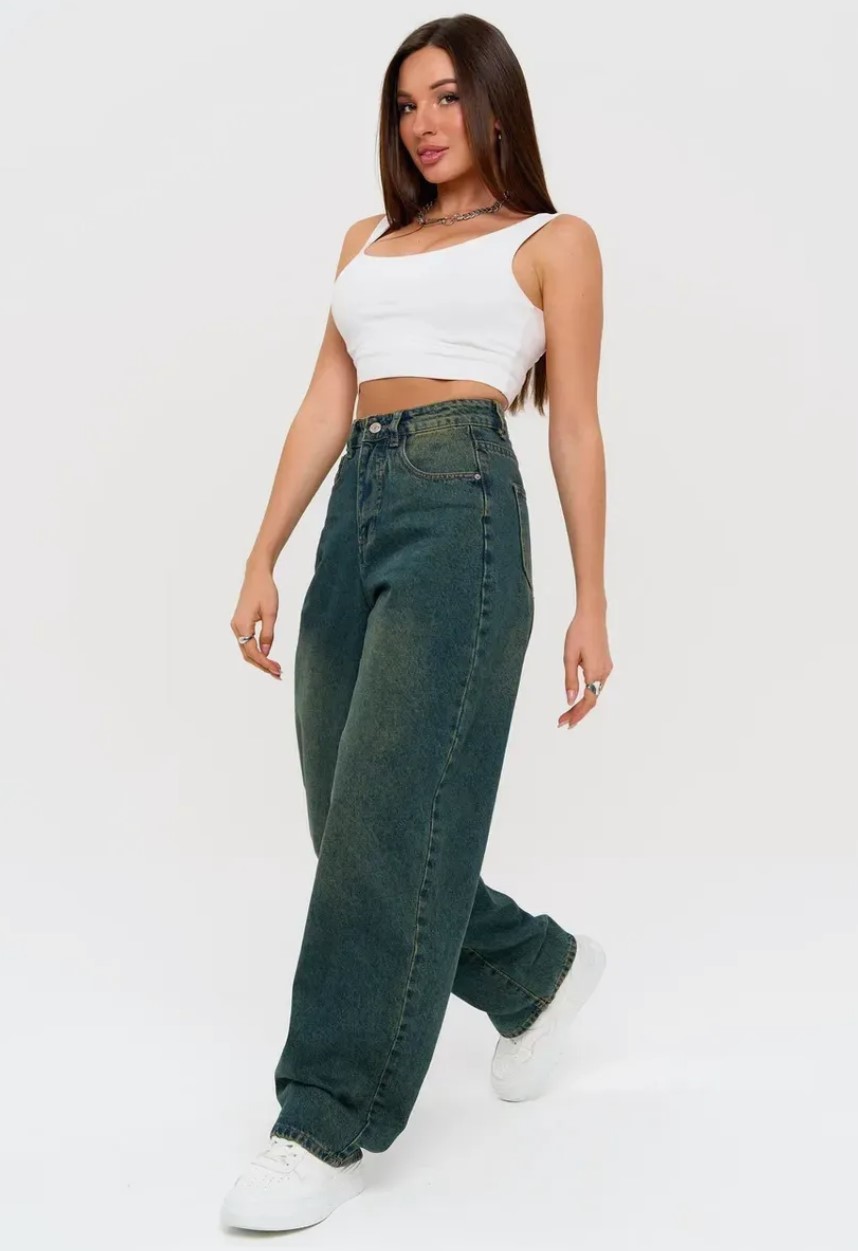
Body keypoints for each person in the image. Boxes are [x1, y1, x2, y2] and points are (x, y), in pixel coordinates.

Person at [221, 13, 612, 1233]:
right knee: (348, 816)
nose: (423, 124)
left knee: (385, 819)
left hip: (462, 512)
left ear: (494, 105)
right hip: (356, 513)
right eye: (405, 105)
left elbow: (575, 423)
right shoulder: (368, 242)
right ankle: (533, 970)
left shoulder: (553, 242)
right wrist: (262, 552)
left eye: (445, 97)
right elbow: (325, 400)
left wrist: (594, 599)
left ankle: (321, 1119)